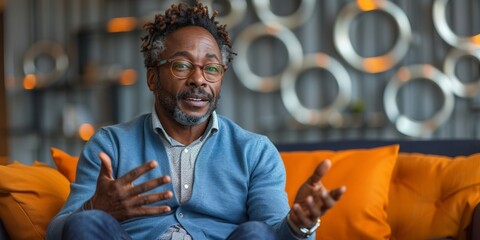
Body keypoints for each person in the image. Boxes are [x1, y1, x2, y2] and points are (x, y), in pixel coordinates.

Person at [46, 1, 346, 239]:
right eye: (182, 65)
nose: (198, 80)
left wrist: (299, 226)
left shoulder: (255, 151)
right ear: (153, 78)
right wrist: (95, 207)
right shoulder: (111, 145)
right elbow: (58, 231)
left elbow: (274, 233)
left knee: (257, 233)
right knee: (87, 223)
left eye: (211, 69)